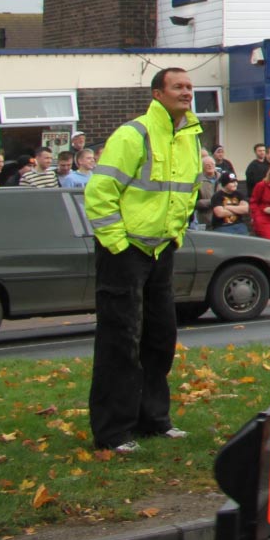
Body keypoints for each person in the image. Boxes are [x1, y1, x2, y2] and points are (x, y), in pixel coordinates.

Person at [85, 67, 209, 454]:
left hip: (161, 249)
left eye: (189, 87)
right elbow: (100, 192)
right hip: (124, 251)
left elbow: (190, 190)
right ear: (158, 93)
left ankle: (153, 420)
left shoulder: (190, 137)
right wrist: (118, 244)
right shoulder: (133, 134)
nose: (187, 92)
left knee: (160, 337)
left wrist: (175, 233)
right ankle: (113, 432)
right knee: (120, 340)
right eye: (178, 86)